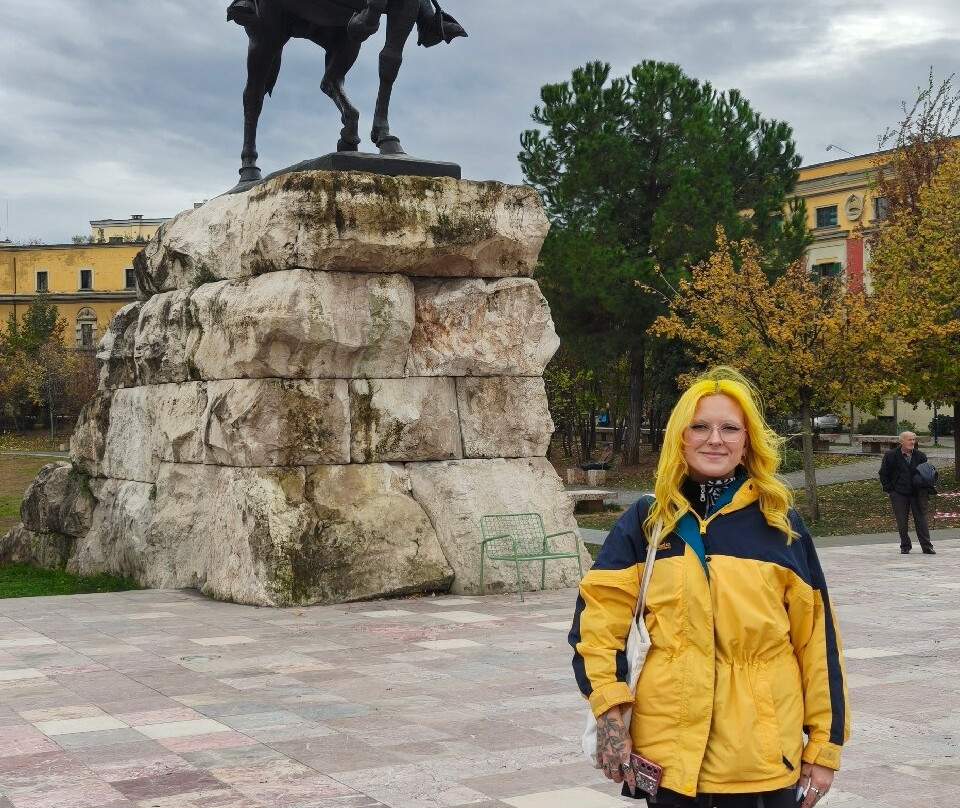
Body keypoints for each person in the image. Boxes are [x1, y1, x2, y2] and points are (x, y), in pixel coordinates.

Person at [570, 367, 849, 808]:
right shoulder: (646, 523)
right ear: (679, 437)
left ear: (747, 441)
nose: (714, 439)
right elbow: (596, 627)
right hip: (666, 754)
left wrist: (823, 750)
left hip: (759, 757)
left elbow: (817, 646)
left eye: (729, 428)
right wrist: (609, 715)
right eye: (699, 426)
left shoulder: (780, 525)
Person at [878, 431, 936, 555]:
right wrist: (890, 489)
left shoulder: (920, 456)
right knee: (902, 522)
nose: (912, 442)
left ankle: (927, 546)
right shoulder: (890, 456)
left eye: (914, 440)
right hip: (899, 493)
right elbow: (883, 474)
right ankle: (905, 546)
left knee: (921, 520)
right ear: (901, 441)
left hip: (917, 493)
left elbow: (926, 474)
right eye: (910, 440)